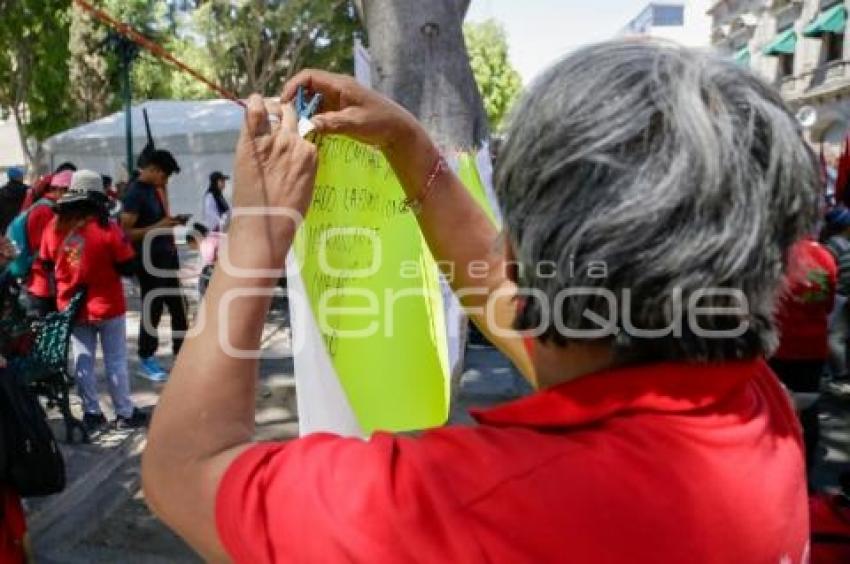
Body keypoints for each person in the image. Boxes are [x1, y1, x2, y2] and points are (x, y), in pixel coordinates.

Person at [143, 42, 816, 562]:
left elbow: (185, 472)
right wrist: (411, 147)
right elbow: (508, 300)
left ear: (530, 260)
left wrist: (258, 229)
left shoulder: (485, 503)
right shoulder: (751, 405)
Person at [39, 170, 148, 433]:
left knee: (83, 360)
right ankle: (124, 412)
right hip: (108, 304)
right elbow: (127, 265)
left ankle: (92, 413)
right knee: (115, 360)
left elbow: (44, 263)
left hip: (71, 307)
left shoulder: (54, 227)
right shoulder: (107, 227)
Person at [769, 238, 837, 473]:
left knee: (773, 410)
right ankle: (803, 467)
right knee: (808, 410)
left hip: (777, 348)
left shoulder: (774, 252)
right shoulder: (825, 257)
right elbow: (828, 305)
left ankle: (778, 466)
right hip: (813, 349)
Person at [120, 150, 188, 382]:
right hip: (148, 261)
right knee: (153, 309)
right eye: (164, 176)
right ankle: (146, 356)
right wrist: (160, 226)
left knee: (179, 308)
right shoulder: (135, 193)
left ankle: (182, 354)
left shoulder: (153, 190)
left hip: (166, 258)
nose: (165, 181)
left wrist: (171, 223)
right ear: (154, 170)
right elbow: (125, 233)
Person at [23, 170, 73, 316]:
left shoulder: (50, 209)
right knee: (44, 334)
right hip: (43, 284)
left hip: (46, 282)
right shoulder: (45, 211)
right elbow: (47, 250)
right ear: (58, 190)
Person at [823, 205, 850, 381]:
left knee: (834, 337)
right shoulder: (841, 244)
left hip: (840, 295)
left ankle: (840, 374)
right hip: (843, 294)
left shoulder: (831, 245)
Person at [0, 167, 28, 233]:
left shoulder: (1, 192)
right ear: (19, 177)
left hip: (6, 230)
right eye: (21, 175)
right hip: (24, 229)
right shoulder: (28, 191)